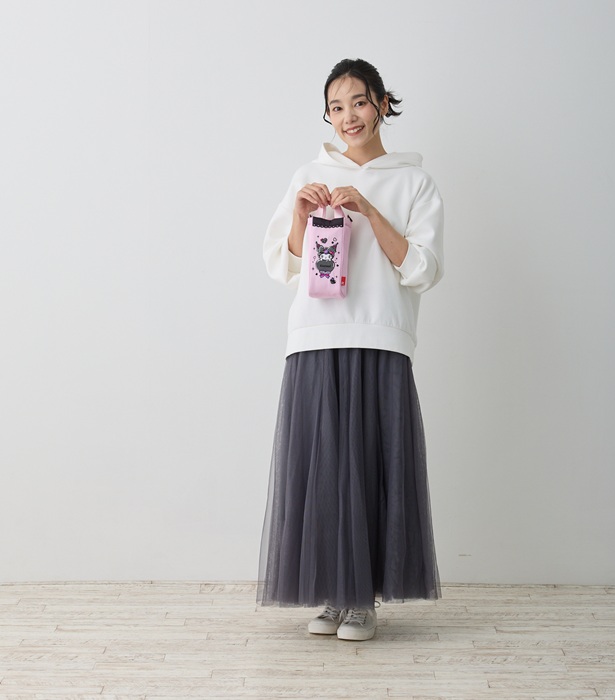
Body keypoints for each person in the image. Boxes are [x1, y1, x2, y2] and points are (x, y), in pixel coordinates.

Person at [258, 58, 444, 642]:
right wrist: (300, 213)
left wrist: (368, 209)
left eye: (358, 102)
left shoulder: (414, 182)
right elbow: (282, 263)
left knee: (371, 465)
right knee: (322, 470)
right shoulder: (309, 174)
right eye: (335, 107)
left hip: (381, 334)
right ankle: (334, 596)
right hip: (316, 336)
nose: (348, 117)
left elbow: (423, 269)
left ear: (383, 103)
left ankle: (363, 601)